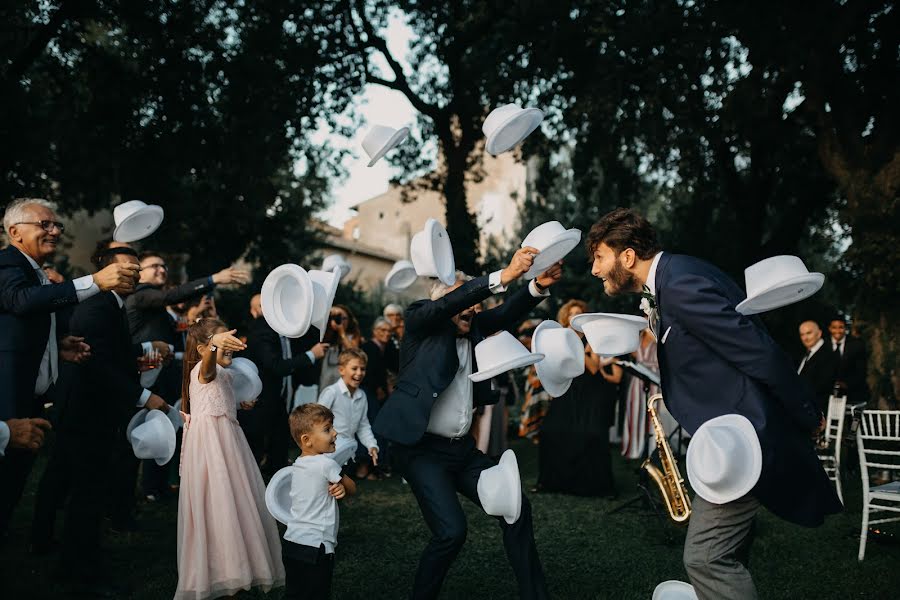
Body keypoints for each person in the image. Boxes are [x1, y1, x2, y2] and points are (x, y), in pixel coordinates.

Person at [586, 207, 842, 599]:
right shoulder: (674, 277)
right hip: (726, 436)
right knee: (728, 553)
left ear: (627, 256)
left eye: (599, 258)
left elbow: (758, 352)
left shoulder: (681, 283)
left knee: (705, 559)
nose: (594, 270)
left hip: (743, 438)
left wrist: (806, 414)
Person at [374, 246, 560, 600]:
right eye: (466, 300)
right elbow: (446, 305)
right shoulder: (419, 323)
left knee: (516, 507)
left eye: (475, 303)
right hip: (420, 450)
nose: (473, 308)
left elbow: (504, 314)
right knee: (451, 532)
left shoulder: (473, 327)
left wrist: (536, 285)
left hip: (461, 451)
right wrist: (502, 277)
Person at [0, 198, 137, 539]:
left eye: (57, 225)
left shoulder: (37, 273)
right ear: (14, 232)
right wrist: (95, 282)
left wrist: (56, 348)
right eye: (44, 224)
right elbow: (21, 302)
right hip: (6, 406)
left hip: (31, 403)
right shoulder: (6, 264)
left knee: (13, 492)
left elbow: (22, 327)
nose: (55, 231)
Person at [38, 245, 169, 595]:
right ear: (106, 270)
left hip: (91, 411)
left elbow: (113, 355)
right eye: (128, 268)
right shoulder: (96, 307)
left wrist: (137, 358)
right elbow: (96, 364)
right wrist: (144, 396)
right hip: (85, 412)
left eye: (137, 269)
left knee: (80, 488)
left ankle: (74, 558)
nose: (136, 274)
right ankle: (82, 571)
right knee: (86, 494)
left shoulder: (113, 306)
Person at [175, 317, 284, 599]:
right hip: (210, 447)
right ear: (203, 348)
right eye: (223, 343)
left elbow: (217, 394)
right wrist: (214, 345)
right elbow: (208, 375)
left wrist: (238, 402)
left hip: (229, 443)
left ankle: (238, 566)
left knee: (236, 502)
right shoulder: (203, 366)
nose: (230, 348)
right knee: (217, 503)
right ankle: (222, 569)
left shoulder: (225, 372)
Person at [127, 252, 249, 501]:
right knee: (137, 441)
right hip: (139, 377)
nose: (162, 269)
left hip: (163, 377)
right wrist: (215, 278)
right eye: (154, 266)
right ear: (139, 272)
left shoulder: (159, 308)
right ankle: (140, 494)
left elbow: (183, 329)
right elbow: (171, 297)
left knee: (166, 430)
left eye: (164, 265)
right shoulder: (141, 294)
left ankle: (156, 489)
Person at [535, 299, 622, 496]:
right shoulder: (558, 339)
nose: (575, 317)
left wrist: (578, 346)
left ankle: (595, 486)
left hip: (590, 391)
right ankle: (551, 482)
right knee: (551, 431)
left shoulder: (591, 339)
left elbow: (592, 368)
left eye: (579, 313)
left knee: (592, 435)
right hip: (566, 389)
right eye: (572, 313)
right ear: (566, 318)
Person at [245, 293, 327, 478]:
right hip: (260, 400)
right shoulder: (261, 329)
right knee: (256, 448)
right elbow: (276, 366)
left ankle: (277, 477)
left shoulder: (285, 330)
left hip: (279, 398)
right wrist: (311, 355)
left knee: (279, 444)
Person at [283, 403, 357, 600]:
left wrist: (337, 486)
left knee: (295, 593)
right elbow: (352, 487)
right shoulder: (326, 464)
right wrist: (343, 485)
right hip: (317, 546)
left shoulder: (298, 463)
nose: (335, 432)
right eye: (327, 429)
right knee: (318, 594)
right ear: (307, 440)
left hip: (292, 542)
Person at [317, 348, 378, 470]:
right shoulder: (331, 392)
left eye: (363, 369)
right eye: (354, 368)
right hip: (327, 453)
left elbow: (363, 426)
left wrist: (372, 445)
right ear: (341, 370)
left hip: (346, 453)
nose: (359, 373)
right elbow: (316, 422)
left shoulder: (362, 396)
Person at [358, 317, 394, 478]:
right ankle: (366, 466)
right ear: (375, 331)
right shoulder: (368, 347)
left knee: (377, 428)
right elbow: (365, 372)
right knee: (371, 428)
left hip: (379, 394)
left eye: (389, 331)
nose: (387, 334)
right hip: (368, 392)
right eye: (383, 330)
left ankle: (375, 466)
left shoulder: (386, 348)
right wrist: (378, 388)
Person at [621, 327, 661, 459]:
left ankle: (652, 451)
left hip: (653, 380)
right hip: (638, 381)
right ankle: (634, 449)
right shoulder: (636, 339)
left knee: (652, 415)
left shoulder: (658, 336)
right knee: (634, 413)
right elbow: (630, 352)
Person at [797, 320, 839, 413]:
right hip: (804, 407)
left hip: (818, 411)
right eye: (802, 334)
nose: (805, 338)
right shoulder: (805, 355)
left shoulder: (828, 354)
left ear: (819, 333)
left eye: (809, 333)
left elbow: (823, 385)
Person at [318, 304, 361, 390]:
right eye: (334, 317)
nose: (339, 320)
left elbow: (354, 352)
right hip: (325, 376)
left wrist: (341, 332)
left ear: (349, 319)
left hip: (343, 377)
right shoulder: (326, 333)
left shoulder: (352, 335)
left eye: (343, 318)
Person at [828, 317, 869, 405]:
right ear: (829, 328)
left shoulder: (857, 345)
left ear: (845, 328)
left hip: (852, 392)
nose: (837, 331)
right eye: (834, 327)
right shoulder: (823, 345)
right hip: (827, 393)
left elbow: (861, 370)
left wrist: (846, 384)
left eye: (841, 327)